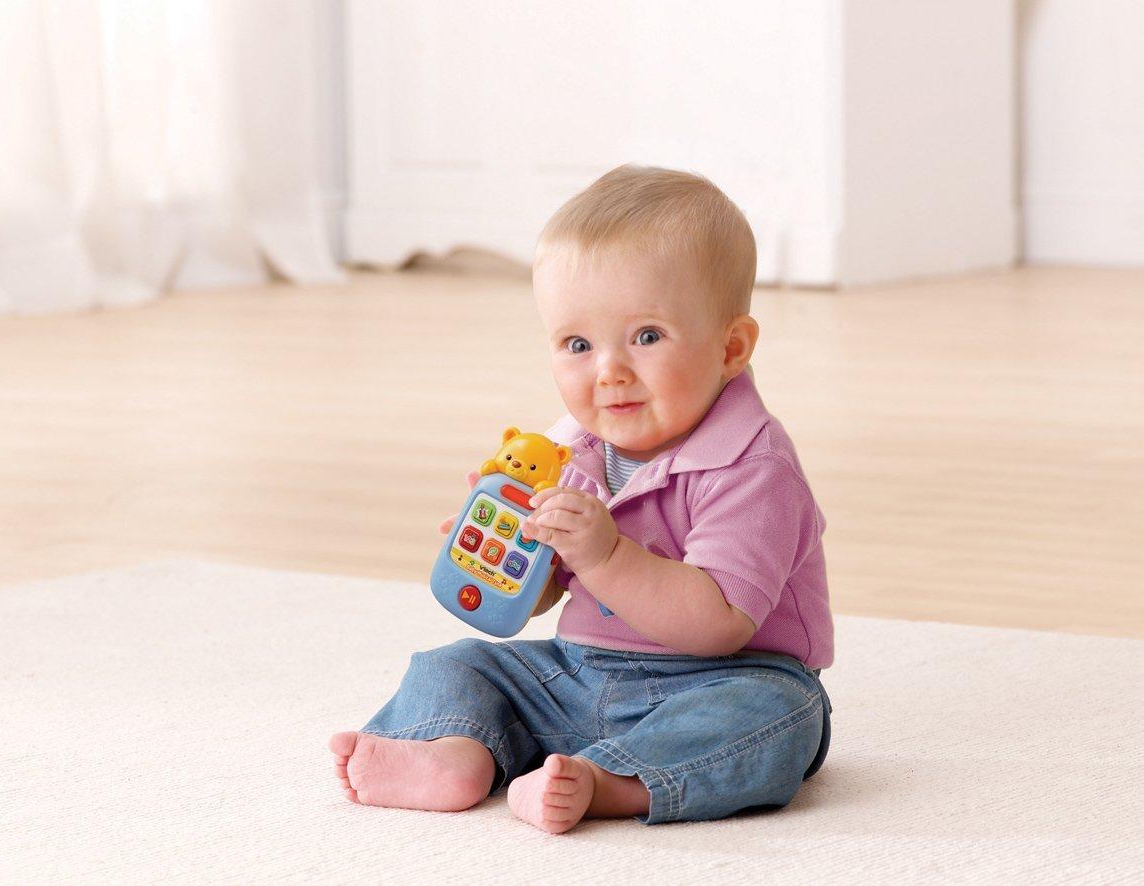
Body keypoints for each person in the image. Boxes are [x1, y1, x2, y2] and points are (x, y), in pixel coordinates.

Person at [328, 165, 834, 832]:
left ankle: (608, 781)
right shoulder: (568, 453)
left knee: (782, 719)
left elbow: (718, 624)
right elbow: (544, 597)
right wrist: (515, 560)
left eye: (646, 336)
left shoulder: (752, 466)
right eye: (577, 344)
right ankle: (454, 752)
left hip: (723, 677)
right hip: (578, 672)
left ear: (730, 347)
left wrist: (604, 555)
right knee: (458, 664)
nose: (609, 371)